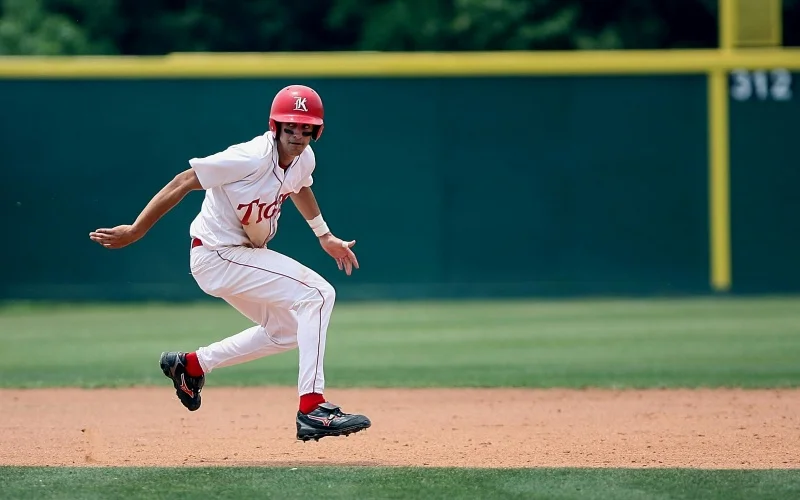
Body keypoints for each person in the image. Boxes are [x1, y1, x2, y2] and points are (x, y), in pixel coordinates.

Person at [89, 84, 371, 442]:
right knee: (318, 294)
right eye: (290, 126)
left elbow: (299, 186)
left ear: (317, 131)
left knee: (286, 331)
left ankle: (191, 365)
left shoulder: (305, 159)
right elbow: (184, 181)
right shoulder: (250, 157)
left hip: (240, 255)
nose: (297, 134)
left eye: (305, 127)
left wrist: (324, 235)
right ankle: (311, 408)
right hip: (217, 253)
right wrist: (136, 229)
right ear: (275, 126)